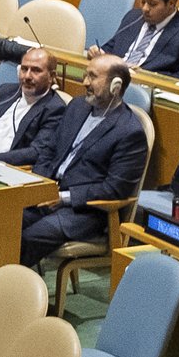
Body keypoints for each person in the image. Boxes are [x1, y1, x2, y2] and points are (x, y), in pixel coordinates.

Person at [19, 52, 147, 266]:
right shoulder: (77, 107)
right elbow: (50, 150)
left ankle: (10, 291)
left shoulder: (129, 132)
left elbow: (115, 189)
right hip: (47, 193)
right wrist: (39, 184)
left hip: (83, 211)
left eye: (93, 77)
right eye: (86, 75)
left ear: (116, 86)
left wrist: (63, 198)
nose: (84, 82)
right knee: (3, 219)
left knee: (28, 237)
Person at [0, 45, 64, 166]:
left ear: (51, 76)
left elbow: (36, 152)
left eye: (36, 70)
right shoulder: (6, 91)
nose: (27, 76)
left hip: (5, 167)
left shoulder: (55, 108)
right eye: (24, 69)